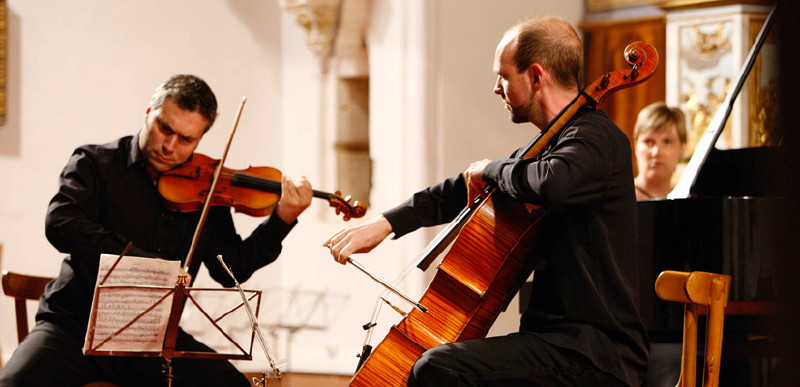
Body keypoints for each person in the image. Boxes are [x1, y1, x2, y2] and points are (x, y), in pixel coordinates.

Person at [325, 15, 648, 387]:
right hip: (552, 342)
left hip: (597, 353)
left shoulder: (595, 138)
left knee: (439, 368)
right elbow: (459, 189)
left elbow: (551, 183)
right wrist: (385, 223)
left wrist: (492, 168)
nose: (496, 88)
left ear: (537, 77)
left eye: (504, 76)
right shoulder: (549, 147)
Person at [0, 74, 313, 387]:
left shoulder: (208, 189)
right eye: (165, 128)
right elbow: (61, 224)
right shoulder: (95, 162)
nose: (169, 146)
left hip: (153, 338)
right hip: (72, 326)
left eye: (186, 140)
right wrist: (147, 265)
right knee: (15, 383)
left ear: (200, 139)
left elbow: (230, 269)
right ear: (149, 113)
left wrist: (281, 220)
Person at [633, 102, 688, 200]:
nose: (656, 152)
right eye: (648, 141)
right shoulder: (616, 198)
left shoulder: (687, 200)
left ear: (683, 148)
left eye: (667, 142)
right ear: (636, 145)